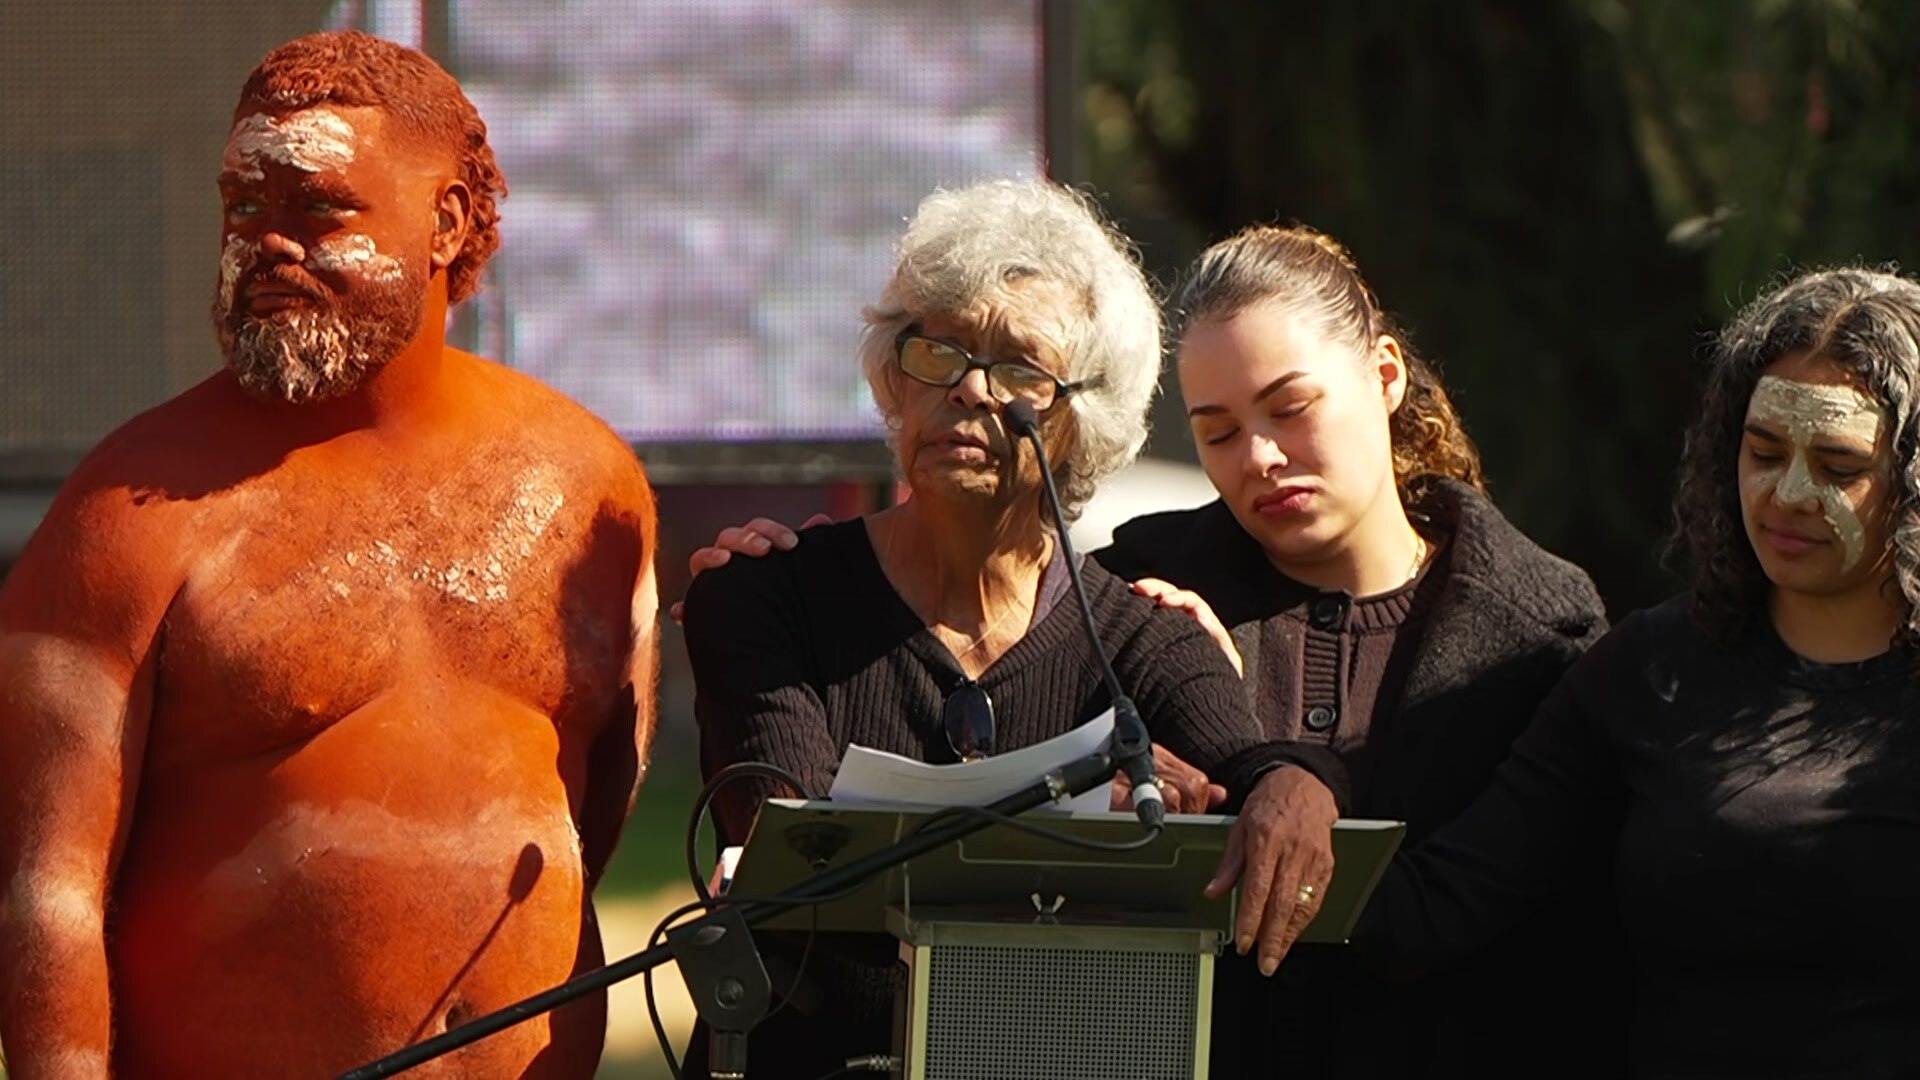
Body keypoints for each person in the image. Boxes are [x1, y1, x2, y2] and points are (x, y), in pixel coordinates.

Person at [685, 223, 1625, 1076]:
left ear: (1385, 376)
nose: (1256, 458)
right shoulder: (1151, 585)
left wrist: (1260, 801)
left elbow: (1464, 910)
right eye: (1216, 431)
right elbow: (797, 852)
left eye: (1288, 408)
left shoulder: (1542, 628)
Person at [0, 31, 658, 1079]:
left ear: (445, 223)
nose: (265, 242)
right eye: (241, 209)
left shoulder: (589, 486)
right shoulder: (126, 510)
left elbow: (597, 802)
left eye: (315, 207)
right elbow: (47, 895)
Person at [677, 180, 1351, 1079]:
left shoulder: (1143, 636)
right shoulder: (762, 598)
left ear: (1083, 417)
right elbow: (804, 860)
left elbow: (1260, 772)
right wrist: (1081, 825)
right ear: (891, 377)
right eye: (938, 352)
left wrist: (1299, 786)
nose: (968, 391)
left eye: (1019, 367)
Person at [1346, 265, 1920, 1077]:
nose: (1788, 493)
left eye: (1838, 466)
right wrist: (1242, 773)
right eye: (1763, 451)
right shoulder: (1649, 672)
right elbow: (1435, 906)